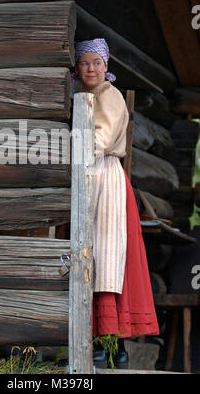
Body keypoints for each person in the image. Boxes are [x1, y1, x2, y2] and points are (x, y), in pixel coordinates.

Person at [73, 38, 159, 369]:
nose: (91, 68)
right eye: (85, 63)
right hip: (85, 179)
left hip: (104, 178)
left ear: (106, 66)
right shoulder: (80, 95)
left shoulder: (110, 97)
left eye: (97, 62)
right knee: (86, 255)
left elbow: (101, 139)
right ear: (77, 67)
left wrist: (62, 150)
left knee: (106, 257)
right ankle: (103, 343)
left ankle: (109, 343)